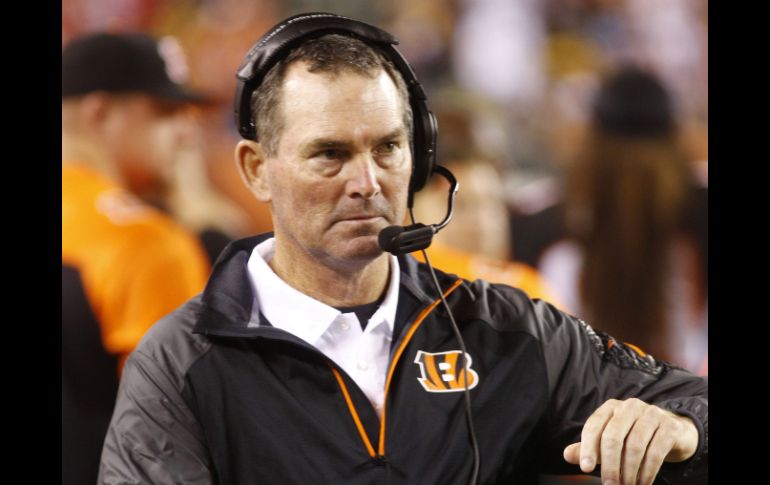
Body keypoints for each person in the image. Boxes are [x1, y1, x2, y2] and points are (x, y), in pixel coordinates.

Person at [99, 14, 707, 485]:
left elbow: (692, 398)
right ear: (257, 169)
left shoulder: (506, 328)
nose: (368, 182)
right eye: (330, 154)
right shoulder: (181, 363)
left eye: (388, 148)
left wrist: (682, 426)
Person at [62, 32, 211, 485]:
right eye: (164, 112)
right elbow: (171, 437)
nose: (186, 133)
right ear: (100, 113)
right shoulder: (146, 243)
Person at [537, 65, 707, 373]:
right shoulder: (560, 222)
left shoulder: (552, 219)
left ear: (592, 138)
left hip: (589, 388)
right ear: (678, 137)